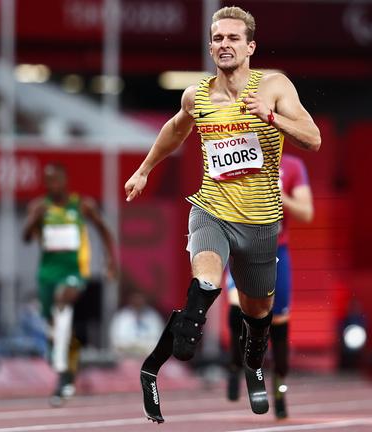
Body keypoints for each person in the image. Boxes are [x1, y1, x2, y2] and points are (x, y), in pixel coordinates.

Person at [125, 5, 321, 422]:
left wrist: (270, 117)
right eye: (217, 38)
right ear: (210, 46)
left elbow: (313, 138)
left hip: (263, 223)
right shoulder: (197, 95)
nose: (224, 45)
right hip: (212, 211)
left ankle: (252, 366)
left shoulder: (273, 85)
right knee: (206, 281)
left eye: (233, 38)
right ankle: (159, 363)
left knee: (258, 316)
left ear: (250, 46)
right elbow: (175, 129)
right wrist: (144, 170)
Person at [224, 153, 313, 419]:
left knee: (278, 326)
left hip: (277, 251)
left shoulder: (292, 166)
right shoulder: (238, 155)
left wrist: (279, 195)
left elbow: (306, 212)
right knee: (237, 308)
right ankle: (235, 364)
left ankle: (280, 390)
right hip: (244, 247)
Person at [22, 162, 117, 407]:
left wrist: (109, 261)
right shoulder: (39, 206)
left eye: (56, 179)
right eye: (48, 180)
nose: (52, 185)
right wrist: (35, 220)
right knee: (54, 326)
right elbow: (25, 238)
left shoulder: (82, 205)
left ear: (65, 180)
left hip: (74, 269)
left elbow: (104, 230)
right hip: (47, 272)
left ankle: (62, 369)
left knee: (63, 301)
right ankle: (64, 372)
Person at [110, 290, 164, 358]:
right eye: (135, 298)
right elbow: (117, 341)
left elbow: (158, 340)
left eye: (140, 298)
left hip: (147, 358)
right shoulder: (121, 316)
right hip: (126, 358)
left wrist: (141, 348)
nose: (138, 301)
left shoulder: (153, 317)